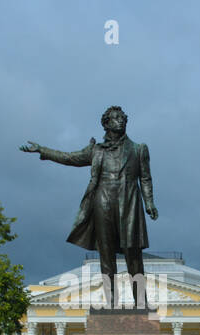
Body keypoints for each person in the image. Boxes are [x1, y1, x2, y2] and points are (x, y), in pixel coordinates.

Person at [20, 105, 160, 309]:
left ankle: (141, 303)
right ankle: (111, 304)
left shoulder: (139, 149)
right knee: (106, 255)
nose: (120, 121)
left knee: (134, 256)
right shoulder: (96, 150)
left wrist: (149, 203)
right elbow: (69, 158)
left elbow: (145, 178)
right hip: (102, 202)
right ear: (106, 123)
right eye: (115, 118)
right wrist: (43, 150)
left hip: (129, 203)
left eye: (122, 118)